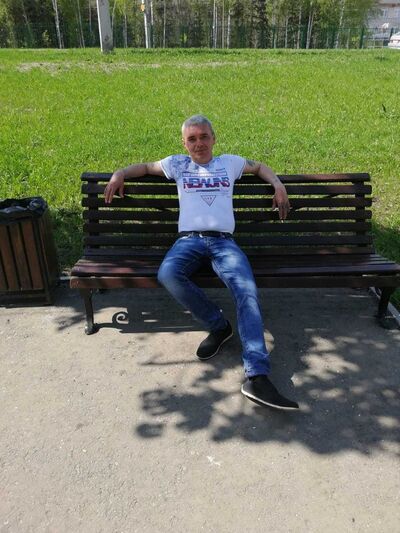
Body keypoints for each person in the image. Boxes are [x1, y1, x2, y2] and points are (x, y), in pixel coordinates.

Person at [105, 115, 299, 411]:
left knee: (246, 292)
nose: (199, 143)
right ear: (184, 143)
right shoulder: (177, 164)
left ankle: (257, 376)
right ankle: (219, 325)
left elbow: (259, 166)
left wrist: (277, 184)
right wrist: (119, 173)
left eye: (204, 136)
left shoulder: (229, 163)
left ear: (213, 138)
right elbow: (144, 168)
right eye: (192, 139)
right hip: (189, 241)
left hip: (224, 242)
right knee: (168, 273)